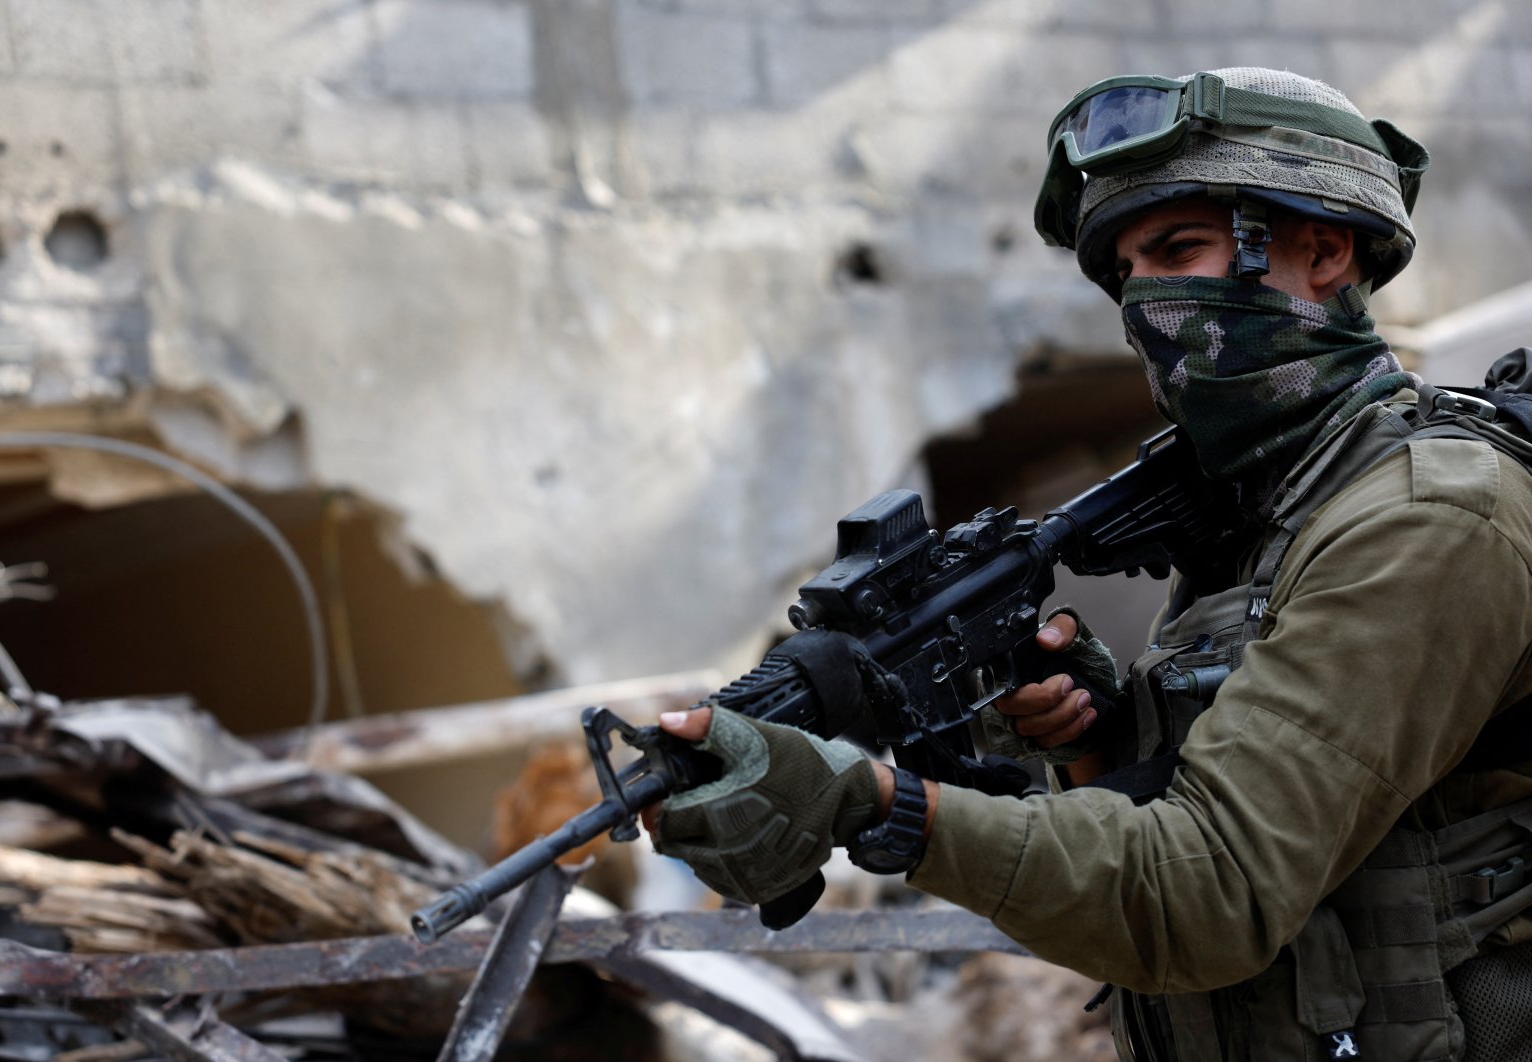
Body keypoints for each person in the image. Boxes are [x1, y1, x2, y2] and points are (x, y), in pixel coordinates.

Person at [649, 68, 1532, 1060]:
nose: (1143, 299)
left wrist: (874, 804)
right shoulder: (1267, 508)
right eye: (1124, 269)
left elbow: (1210, 895)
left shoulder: (1426, 515)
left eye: (1176, 249)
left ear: (1322, 250)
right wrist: (1106, 743)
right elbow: (1271, 827)